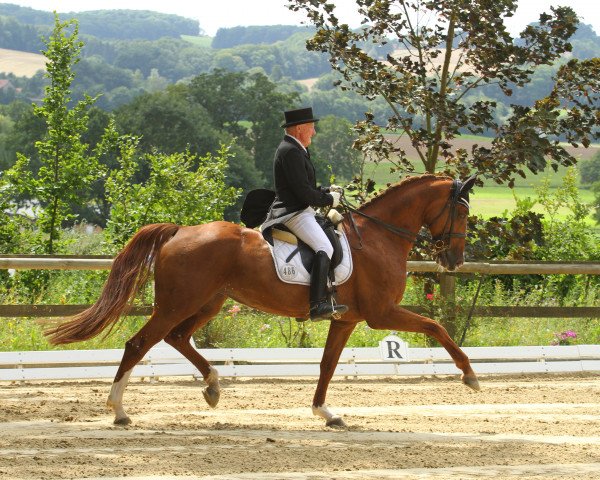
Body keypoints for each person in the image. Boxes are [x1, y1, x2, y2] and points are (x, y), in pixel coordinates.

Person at [263, 107, 348, 321]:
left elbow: (304, 186)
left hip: (301, 209)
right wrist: (330, 200)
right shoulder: (290, 151)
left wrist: (327, 191)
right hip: (293, 213)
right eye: (311, 128)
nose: (314, 132)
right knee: (324, 247)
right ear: (300, 128)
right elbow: (303, 193)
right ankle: (317, 304)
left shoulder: (296, 148)